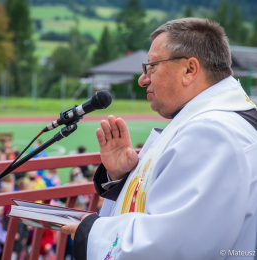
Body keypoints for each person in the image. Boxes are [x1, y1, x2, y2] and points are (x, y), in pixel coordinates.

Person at [61, 18, 257, 260]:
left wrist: (90, 231)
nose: (143, 79)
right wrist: (123, 176)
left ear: (189, 70)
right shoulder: (220, 119)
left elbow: (172, 246)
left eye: (151, 67)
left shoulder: (212, 133)